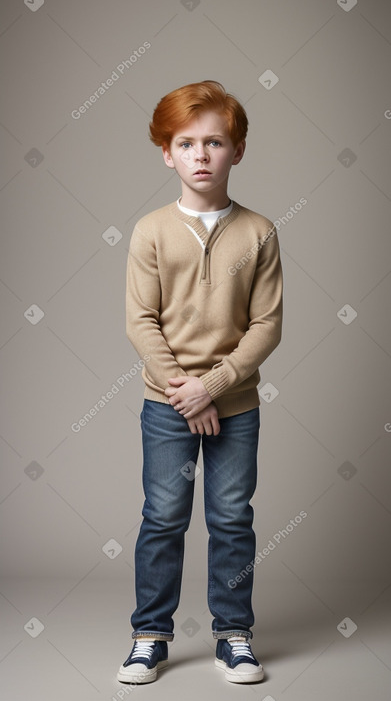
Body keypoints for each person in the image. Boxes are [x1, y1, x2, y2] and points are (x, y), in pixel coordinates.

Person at [117, 80, 283, 685]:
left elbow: (266, 325)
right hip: (166, 403)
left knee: (233, 517)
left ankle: (233, 635)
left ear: (237, 150)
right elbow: (141, 320)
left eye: (214, 141)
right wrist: (184, 390)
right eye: (186, 143)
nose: (201, 154)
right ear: (167, 153)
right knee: (163, 516)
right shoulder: (150, 231)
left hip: (234, 405)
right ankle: (149, 636)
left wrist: (213, 386)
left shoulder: (260, 231)